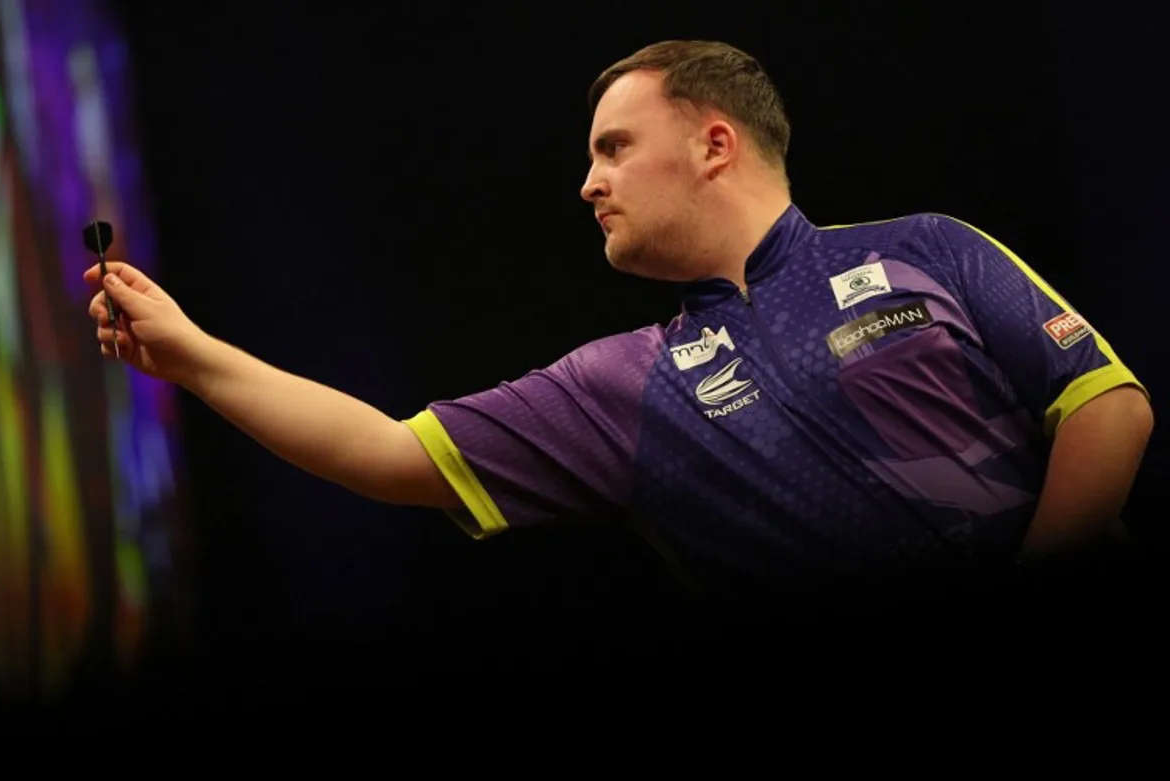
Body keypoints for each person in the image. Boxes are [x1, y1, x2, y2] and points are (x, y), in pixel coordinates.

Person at [85, 40, 1153, 613]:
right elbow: (384, 451)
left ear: (715, 143)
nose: (587, 183)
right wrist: (191, 353)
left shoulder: (930, 244)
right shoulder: (621, 383)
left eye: (613, 147)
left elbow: (1106, 404)